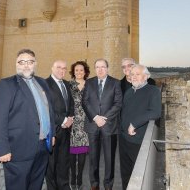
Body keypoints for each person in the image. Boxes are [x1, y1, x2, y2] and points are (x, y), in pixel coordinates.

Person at [0, 48, 55, 190]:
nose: (26, 65)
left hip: (42, 148)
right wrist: (2, 149)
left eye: (30, 62)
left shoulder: (43, 83)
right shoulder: (7, 84)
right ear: (16, 64)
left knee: (36, 185)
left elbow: (49, 110)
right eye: (22, 62)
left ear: (35, 64)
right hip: (18, 150)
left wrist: (53, 134)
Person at [119, 64, 161, 190]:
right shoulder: (129, 91)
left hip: (138, 140)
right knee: (125, 173)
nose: (134, 77)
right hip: (124, 140)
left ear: (146, 76)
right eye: (132, 74)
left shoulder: (153, 91)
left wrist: (134, 123)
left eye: (137, 74)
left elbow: (155, 112)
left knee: (136, 174)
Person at [82, 58, 122, 190]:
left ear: (107, 68)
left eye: (103, 67)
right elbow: (85, 102)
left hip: (109, 126)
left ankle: (108, 185)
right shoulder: (89, 82)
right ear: (95, 69)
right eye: (97, 67)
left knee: (109, 159)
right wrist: (95, 117)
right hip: (93, 126)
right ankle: (94, 185)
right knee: (93, 158)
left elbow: (118, 103)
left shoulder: (115, 83)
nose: (100, 69)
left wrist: (104, 118)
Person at [45, 60, 74, 190]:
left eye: (64, 68)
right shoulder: (45, 84)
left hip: (66, 131)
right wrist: (63, 120)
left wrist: (70, 119)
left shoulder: (67, 84)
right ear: (52, 68)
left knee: (64, 162)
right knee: (51, 164)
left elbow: (71, 104)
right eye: (58, 67)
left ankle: (64, 186)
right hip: (53, 131)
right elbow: (47, 108)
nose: (61, 70)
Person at [68, 61, 91, 190]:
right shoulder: (69, 84)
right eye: (76, 70)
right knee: (72, 153)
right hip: (73, 121)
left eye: (81, 70)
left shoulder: (90, 85)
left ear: (85, 71)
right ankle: (72, 179)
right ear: (73, 71)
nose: (79, 72)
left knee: (82, 152)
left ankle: (79, 179)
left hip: (86, 122)